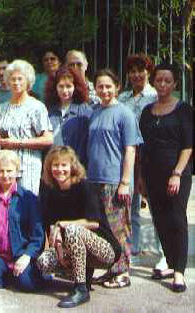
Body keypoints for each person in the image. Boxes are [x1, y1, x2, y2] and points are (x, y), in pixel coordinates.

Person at [37, 146, 121, 308]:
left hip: (104, 249)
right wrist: (59, 249)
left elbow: (94, 223)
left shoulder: (85, 186)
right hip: (73, 247)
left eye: (64, 165)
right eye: (55, 165)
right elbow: (52, 225)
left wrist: (64, 224)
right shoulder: (50, 190)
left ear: (72, 166)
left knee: (72, 229)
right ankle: (82, 276)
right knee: (44, 262)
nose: (59, 169)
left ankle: (81, 289)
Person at [139, 63, 192, 293]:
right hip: (152, 174)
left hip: (176, 174)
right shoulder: (146, 111)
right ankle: (170, 263)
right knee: (160, 220)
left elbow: (189, 146)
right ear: (153, 82)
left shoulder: (184, 110)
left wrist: (177, 173)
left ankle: (179, 271)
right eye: (159, 80)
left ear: (175, 84)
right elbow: (143, 148)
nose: (162, 84)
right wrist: (140, 177)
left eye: (167, 81)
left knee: (177, 219)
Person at [86, 69, 140, 288]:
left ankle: (123, 272)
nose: (105, 90)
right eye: (100, 86)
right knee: (104, 229)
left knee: (120, 228)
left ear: (117, 87)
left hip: (115, 181)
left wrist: (125, 182)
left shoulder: (125, 114)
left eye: (109, 86)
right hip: (95, 179)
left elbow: (130, 150)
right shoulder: (95, 111)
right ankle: (111, 268)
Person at [0, 150, 44, 292]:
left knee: (28, 284)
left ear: (17, 171)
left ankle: (15, 276)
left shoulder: (29, 198)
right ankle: (5, 275)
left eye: (9, 171)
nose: (5, 175)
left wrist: (27, 255)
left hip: (20, 254)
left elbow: (38, 234)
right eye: (1, 171)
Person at [118, 53, 157, 261]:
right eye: (132, 71)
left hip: (149, 155)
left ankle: (162, 249)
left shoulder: (154, 97)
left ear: (148, 72)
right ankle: (132, 247)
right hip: (128, 154)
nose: (136, 75)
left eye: (140, 71)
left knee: (154, 204)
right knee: (130, 203)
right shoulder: (123, 98)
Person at [0, 60, 53, 196]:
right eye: (12, 79)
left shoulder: (36, 107)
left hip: (28, 165)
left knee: (26, 206)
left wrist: (18, 142)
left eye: (20, 79)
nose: (16, 82)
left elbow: (48, 139)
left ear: (27, 81)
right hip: (5, 168)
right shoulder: (2, 107)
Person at [44, 66, 92, 166]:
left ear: (75, 87)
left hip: (77, 166)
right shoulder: (48, 111)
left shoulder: (85, 110)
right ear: (55, 87)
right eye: (61, 86)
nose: (65, 90)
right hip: (54, 166)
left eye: (68, 86)